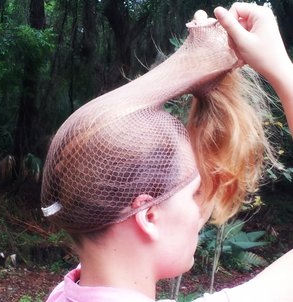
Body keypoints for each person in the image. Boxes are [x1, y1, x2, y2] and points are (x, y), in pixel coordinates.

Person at [41, 2, 293, 302]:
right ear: (148, 215)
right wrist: (280, 68)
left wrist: (204, 63)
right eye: (194, 195)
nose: (201, 211)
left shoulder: (67, 293)